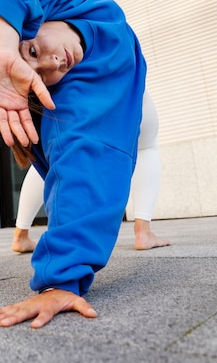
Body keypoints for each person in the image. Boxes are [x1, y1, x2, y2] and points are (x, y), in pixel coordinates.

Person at [0, 0, 154, 328]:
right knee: (73, 159)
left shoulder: (53, 4)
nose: (54, 65)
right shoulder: (75, 105)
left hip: (136, 84)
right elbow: (81, 166)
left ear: (28, 21)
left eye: (33, 52)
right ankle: (140, 228)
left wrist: (3, 41)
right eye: (40, 79)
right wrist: (62, 282)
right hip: (120, 106)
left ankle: (144, 228)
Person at [12, 89, 171, 253]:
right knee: (147, 147)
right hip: (110, 93)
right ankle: (143, 232)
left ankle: (20, 235)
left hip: (61, 102)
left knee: (55, 158)